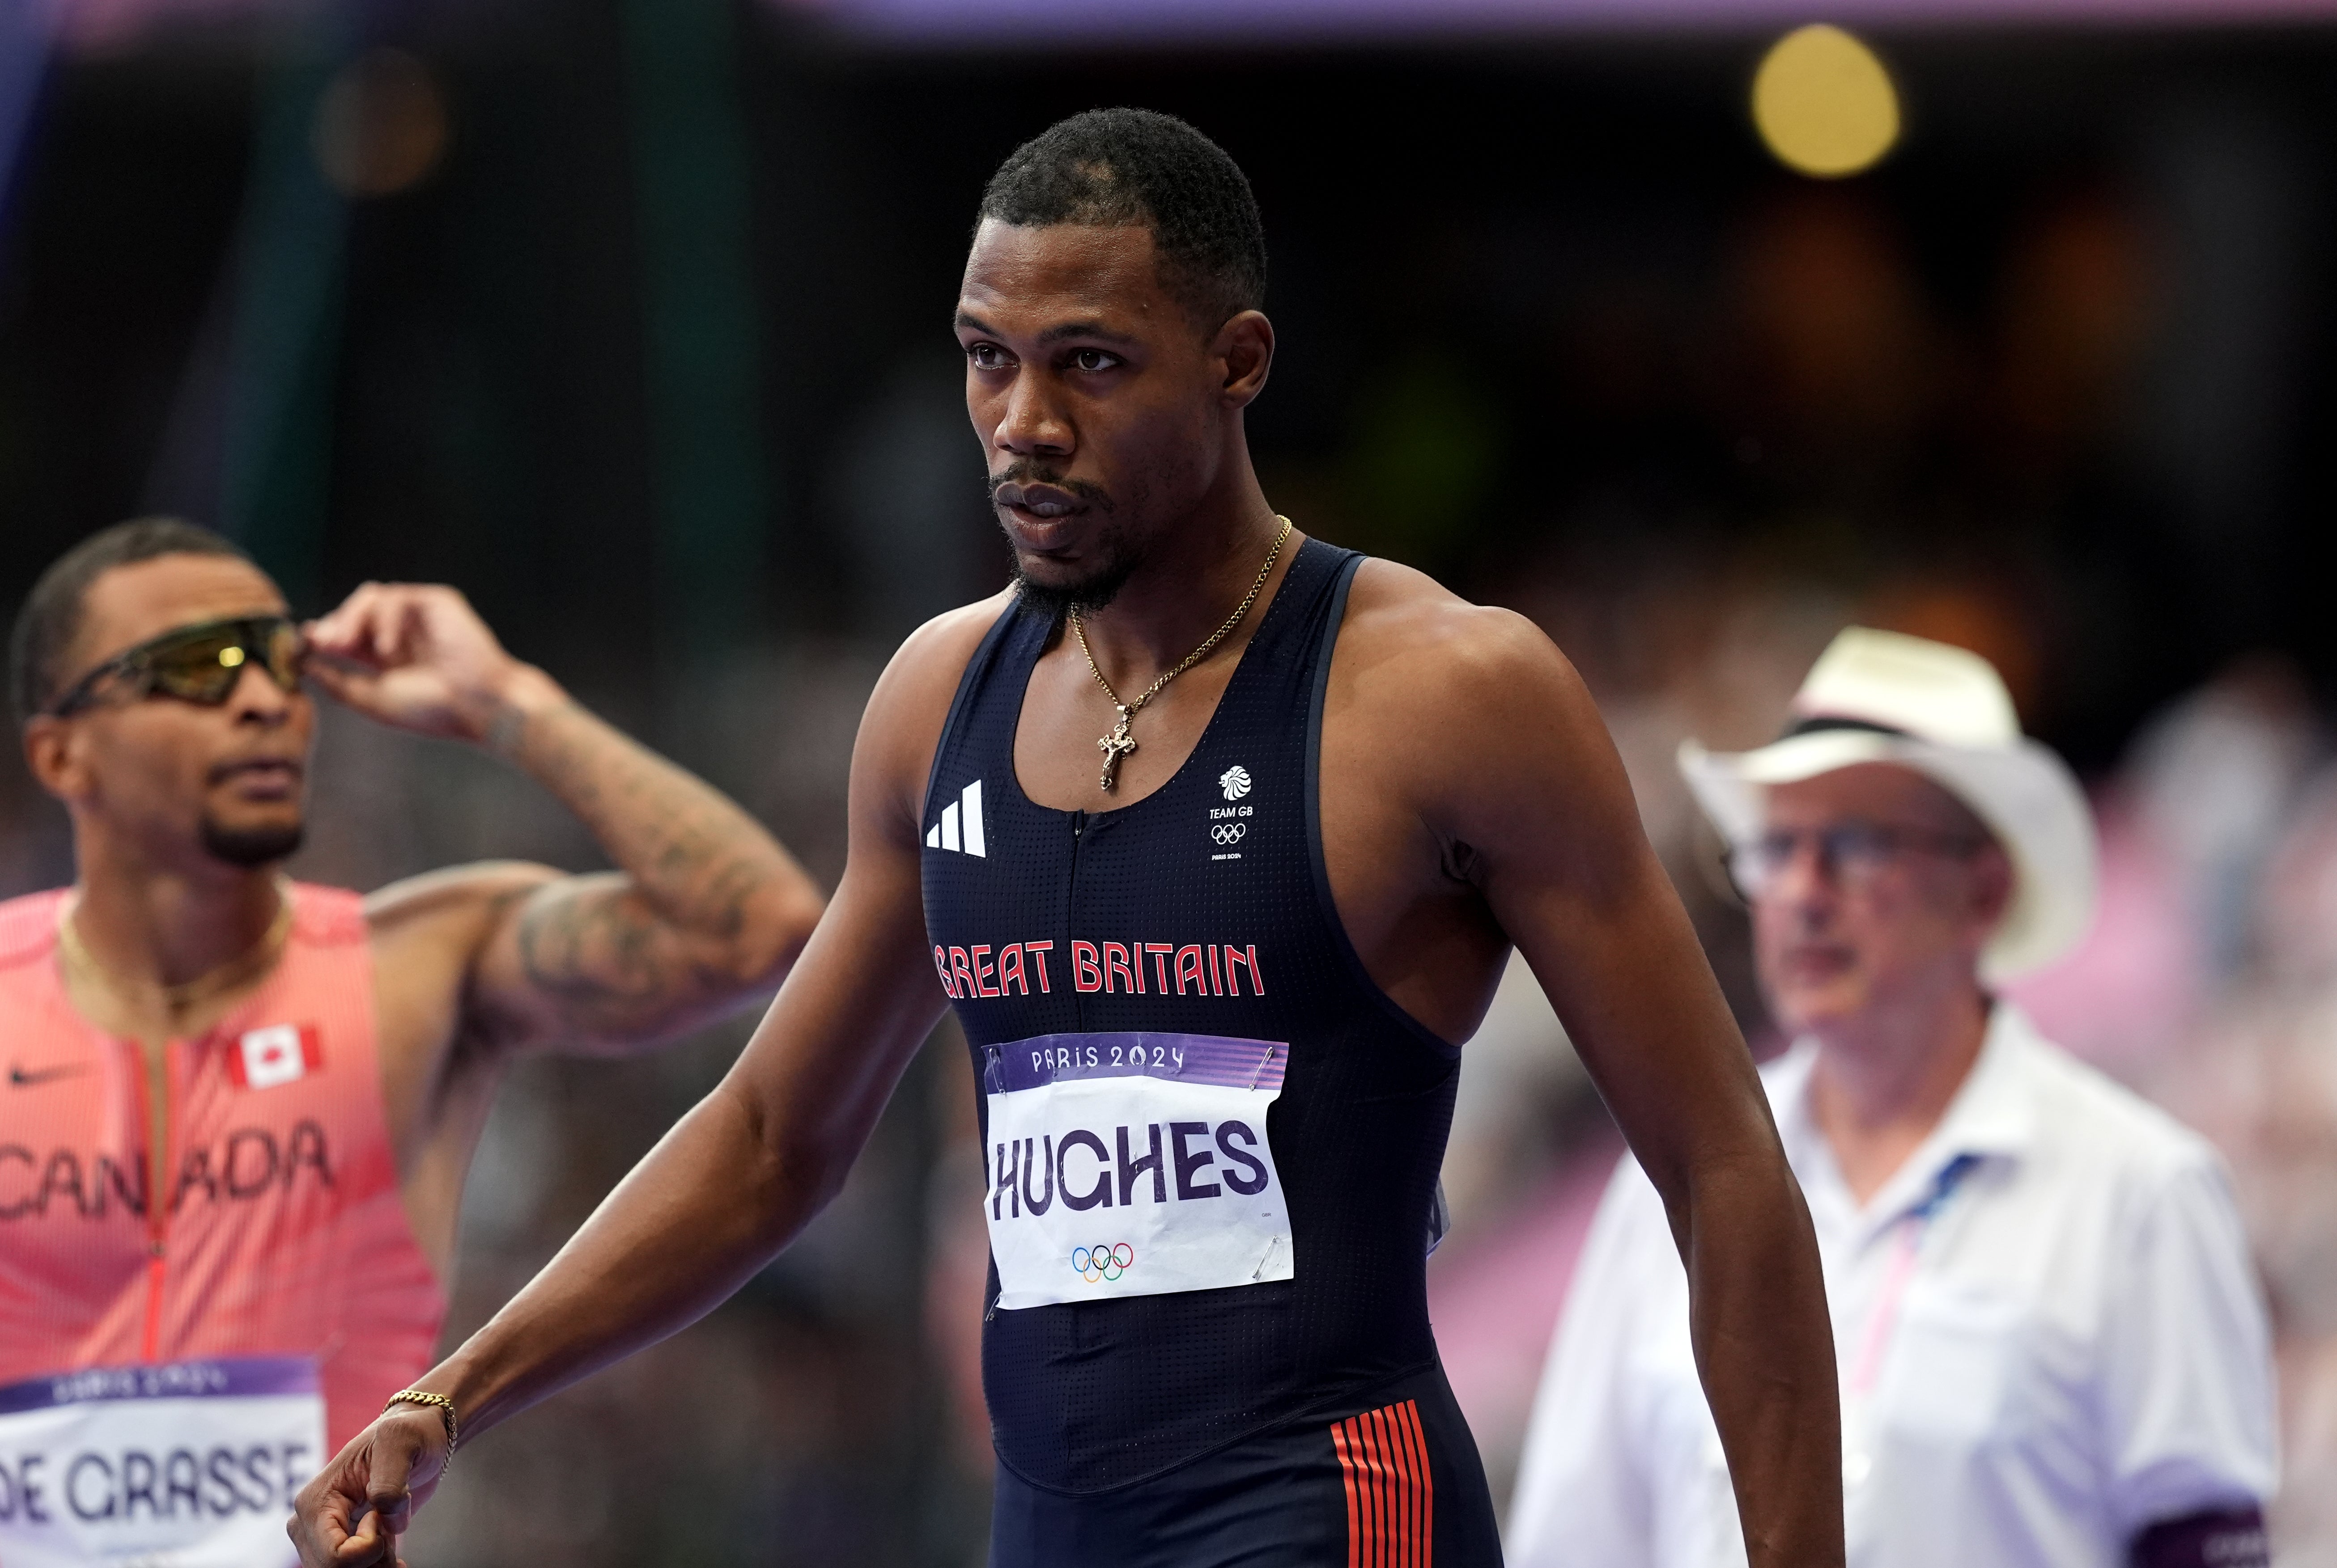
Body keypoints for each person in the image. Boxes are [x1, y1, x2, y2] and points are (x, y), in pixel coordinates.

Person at [293, 108, 1843, 1568]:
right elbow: (772, 1137)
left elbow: (1717, 1164)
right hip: (1045, 1519)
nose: (1022, 425)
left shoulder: (1445, 694)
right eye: (988, 360)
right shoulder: (935, 700)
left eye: (1090, 364)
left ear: (1238, 363)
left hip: (1323, 1499)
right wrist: (449, 1400)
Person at [0, 519, 824, 1566]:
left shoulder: (418, 969)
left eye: (278, 658)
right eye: (194, 668)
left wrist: (506, 700)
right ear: (60, 750)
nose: (261, 698)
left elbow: (758, 931)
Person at [1506, 626, 2279, 1568]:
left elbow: (2203, 1541)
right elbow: (1577, 1542)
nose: (1800, 890)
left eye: (1855, 843)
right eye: (1772, 846)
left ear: (1983, 891)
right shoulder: (1666, 1182)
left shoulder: (2137, 1189)